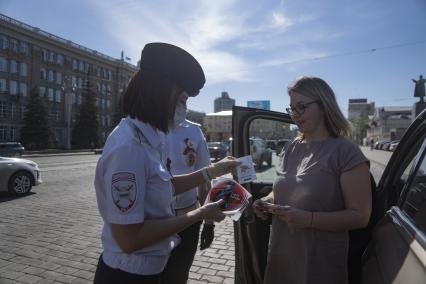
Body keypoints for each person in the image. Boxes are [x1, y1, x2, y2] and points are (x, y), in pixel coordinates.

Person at [93, 42, 240, 284]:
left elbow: (161, 186)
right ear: (160, 93)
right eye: (182, 100)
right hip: (128, 275)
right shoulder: (130, 147)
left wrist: (211, 171)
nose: (184, 109)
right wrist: (200, 213)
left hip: (146, 271)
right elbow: (129, 239)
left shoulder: (147, 139)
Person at [253, 76, 372, 284]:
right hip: (281, 257)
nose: (295, 115)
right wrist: (268, 202)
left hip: (319, 266)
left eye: (302, 107)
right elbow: (283, 191)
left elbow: (360, 216)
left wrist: (307, 219)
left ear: (324, 106)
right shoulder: (292, 147)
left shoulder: (346, 152)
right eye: (292, 109)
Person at [161, 92, 215, 283]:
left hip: (187, 219)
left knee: (178, 274)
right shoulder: (150, 129)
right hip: (157, 221)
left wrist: (208, 222)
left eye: (184, 101)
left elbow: (204, 178)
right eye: (176, 99)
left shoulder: (194, 132)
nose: (180, 105)